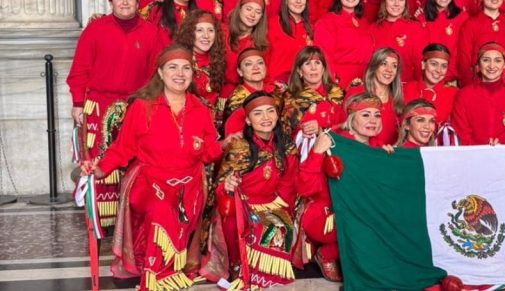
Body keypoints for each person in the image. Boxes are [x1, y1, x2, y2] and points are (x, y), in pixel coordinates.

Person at [87, 45, 237, 290]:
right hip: (149, 181)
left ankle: (171, 272)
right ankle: (156, 278)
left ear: (192, 73)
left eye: (186, 68)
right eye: (173, 67)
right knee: (161, 210)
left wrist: (225, 144)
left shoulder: (200, 109)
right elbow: (122, 148)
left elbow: (207, 152)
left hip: (188, 185)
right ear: (160, 72)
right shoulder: (143, 107)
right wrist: (98, 169)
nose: (180, 73)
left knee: (180, 209)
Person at [68, 0, 162, 229]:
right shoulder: (95, 29)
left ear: (138, 2)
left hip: (137, 104)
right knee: (100, 157)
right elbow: (80, 70)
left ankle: (133, 216)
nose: (124, 2)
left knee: (136, 158)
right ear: (111, 2)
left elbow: (156, 73)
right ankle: (101, 219)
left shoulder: (151, 32)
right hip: (99, 103)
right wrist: (78, 102)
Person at [201, 91, 298, 288]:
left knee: (281, 226)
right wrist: (226, 186)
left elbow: (288, 183)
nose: (266, 118)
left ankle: (266, 273)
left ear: (277, 115)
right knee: (235, 221)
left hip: (272, 202)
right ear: (247, 120)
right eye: (258, 113)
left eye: (270, 111)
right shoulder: (240, 148)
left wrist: (283, 210)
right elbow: (219, 186)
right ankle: (238, 265)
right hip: (243, 203)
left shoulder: (286, 146)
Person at [296, 93, 384, 282]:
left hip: (358, 212)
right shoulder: (333, 144)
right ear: (352, 118)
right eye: (365, 115)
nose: (373, 121)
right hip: (325, 214)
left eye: (377, 115)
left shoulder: (378, 149)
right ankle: (328, 253)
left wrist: (389, 159)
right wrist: (317, 152)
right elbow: (305, 188)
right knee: (366, 218)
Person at [451, 42, 505, 145]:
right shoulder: (464, 95)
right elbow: (461, 134)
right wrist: (484, 150)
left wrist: (502, 147)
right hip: (473, 156)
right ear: (478, 64)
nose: (491, 66)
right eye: (486, 60)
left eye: (497, 61)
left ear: (504, 65)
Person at [280, 46, 345, 158]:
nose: (313, 68)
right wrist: (301, 132)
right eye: (307, 63)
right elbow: (284, 135)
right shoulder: (290, 99)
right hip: (304, 155)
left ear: (323, 69)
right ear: (299, 71)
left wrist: (320, 129)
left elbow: (346, 126)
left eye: (317, 63)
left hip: (338, 151)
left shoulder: (338, 94)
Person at [313, 0, 375, 88]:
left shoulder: (364, 22)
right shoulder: (327, 22)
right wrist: (333, 88)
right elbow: (324, 58)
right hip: (340, 83)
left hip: (365, 83)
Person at [173, 10, 226, 125]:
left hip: (210, 124)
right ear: (190, 33)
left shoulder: (217, 59)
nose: (206, 36)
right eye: (200, 30)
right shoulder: (178, 60)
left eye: (210, 30)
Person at [370, 0, 428, 82]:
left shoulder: (415, 27)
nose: (396, 4)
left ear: (405, 3)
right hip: (379, 86)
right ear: (384, 2)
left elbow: (420, 63)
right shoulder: (373, 29)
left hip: (408, 86)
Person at [344, 48, 404, 145]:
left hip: (388, 155)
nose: (389, 70)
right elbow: (343, 128)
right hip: (360, 152)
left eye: (394, 66)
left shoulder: (398, 98)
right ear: (374, 66)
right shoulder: (356, 92)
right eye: (384, 64)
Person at [418, 0, 469, 82]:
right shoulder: (421, 17)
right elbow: (418, 51)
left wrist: (450, 75)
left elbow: (462, 52)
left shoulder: (462, 17)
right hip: (425, 77)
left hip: (451, 77)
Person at [222, 0, 270, 98]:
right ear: (239, 9)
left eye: (258, 12)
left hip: (249, 95)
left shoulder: (261, 43)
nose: (252, 15)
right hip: (223, 92)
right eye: (249, 9)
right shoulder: (222, 32)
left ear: (261, 17)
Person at [267, 0, 314, 83]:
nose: (298, 1)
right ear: (286, 0)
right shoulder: (273, 24)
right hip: (277, 86)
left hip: (303, 86)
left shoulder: (311, 27)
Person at [223, 48, 276, 136]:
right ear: (240, 71)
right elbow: (233, 139)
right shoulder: (236, 101)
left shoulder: (276, 92)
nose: (256, 67)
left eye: (260, 63)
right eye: (248, 64)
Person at [403, 44, 458, 127]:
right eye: (434, 64)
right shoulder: (406, 89)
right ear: (423, 64)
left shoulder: (454, 94)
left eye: (444, 66)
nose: (438, 70)